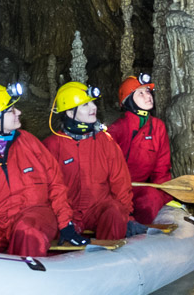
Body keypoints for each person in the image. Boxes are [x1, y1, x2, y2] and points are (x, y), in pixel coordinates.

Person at [0, 82, 88, 256]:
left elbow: (56, 185)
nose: (19, 112)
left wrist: (66, 224)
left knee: (27, 231)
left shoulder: (30, 143)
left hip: (36, 215)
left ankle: (30, 275)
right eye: (11, 110)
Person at [44, 82, 139, 241]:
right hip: (67, 213)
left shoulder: (105, 141)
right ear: (69, 112)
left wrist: (126, 215)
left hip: (98, 209)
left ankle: (109, 257)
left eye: (93, 102)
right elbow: (49, 189)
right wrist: (64, 222)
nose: (93, 107)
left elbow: (120, 181)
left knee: (115, 211)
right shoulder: (52, 146)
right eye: (85, 105)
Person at [106, 72, 177, 225]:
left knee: (151, 197)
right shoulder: (117, 129)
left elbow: (162, 169)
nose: (148, 96)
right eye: (140, 93)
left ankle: (140, 231)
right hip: (115, 190)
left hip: (139, 189)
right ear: (129, 100)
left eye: (148, 91)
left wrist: (166, 197)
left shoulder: (158, 127)